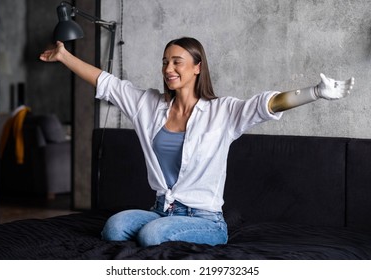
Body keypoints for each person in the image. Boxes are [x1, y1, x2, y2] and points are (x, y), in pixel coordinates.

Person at [40, 37, 354, 247]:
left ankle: (209, 233)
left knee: (151, 236)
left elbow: (265, 104)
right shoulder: (148, 105)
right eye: (165, 62)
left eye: (177, 62)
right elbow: (107, 83)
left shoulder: (223, 112)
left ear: (197, 66)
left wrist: (314, 92)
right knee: (114, 227)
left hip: (205, 219)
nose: (168, 69)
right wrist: (65, 55)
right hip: (161, 210)